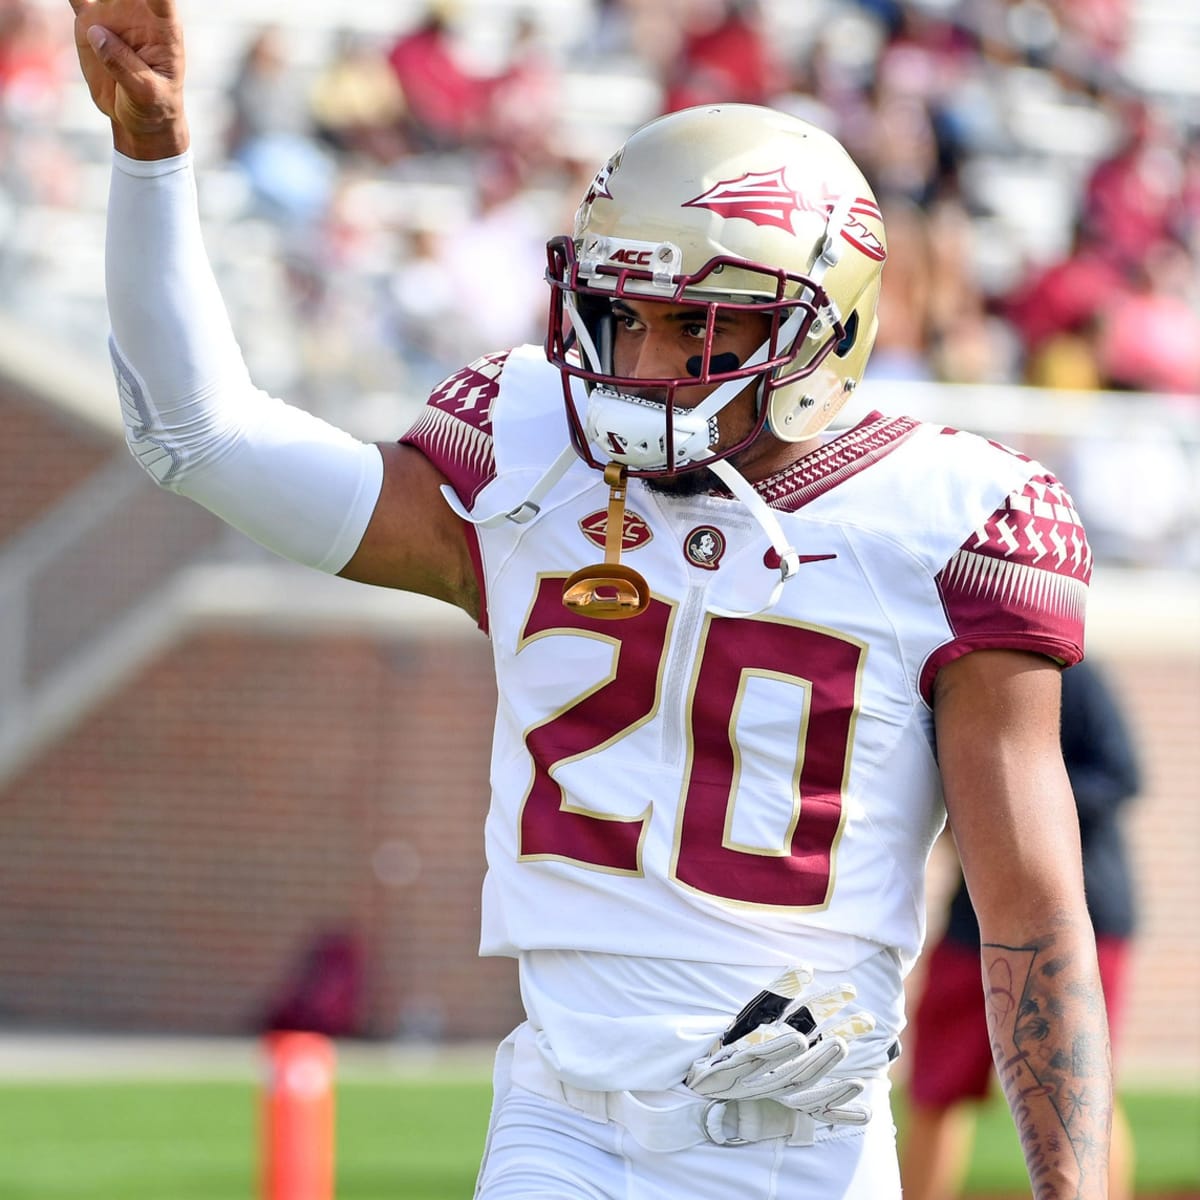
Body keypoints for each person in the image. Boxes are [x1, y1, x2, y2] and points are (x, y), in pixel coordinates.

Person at [68, 3, 1112, 1196]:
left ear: (824, 335)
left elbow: (1031, 915)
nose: (647, 365)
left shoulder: (957, 522)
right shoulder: (529, 453)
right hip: (555, 1129)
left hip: (790, 1151)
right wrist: (152, 160)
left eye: (701, 329)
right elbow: (197, 436)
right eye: (625, 316)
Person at [901, 656, 1142, 1200]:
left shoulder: (1073, 672)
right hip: (977, 914)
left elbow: (1121, 775)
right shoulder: (935, 668)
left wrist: (1013, 802)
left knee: (1085, 1086)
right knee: (939, 1086)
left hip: (1085, 908)